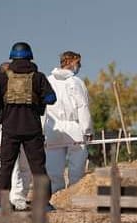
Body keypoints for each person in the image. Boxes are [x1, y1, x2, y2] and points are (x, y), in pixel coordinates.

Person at [0, 42, 56, 211]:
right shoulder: (38, 77)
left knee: (6, 167)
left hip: (10, 130)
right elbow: (51, 98)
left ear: (12, 57)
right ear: (30, 57)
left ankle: (0, 204)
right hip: (32, 129)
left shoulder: (3, 77)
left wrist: (2, 108)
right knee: (37, 167)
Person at [44, 50, 93, 193]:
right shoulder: (76, 82)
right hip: (73, 126)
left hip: (52, 127)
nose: (80, 66)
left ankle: (55, 195)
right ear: (72, 62)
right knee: (77, 163)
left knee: (53, 163)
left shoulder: (47, 80)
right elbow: (82, 107)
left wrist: (41, 129)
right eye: (78, 63)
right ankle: (73, 193)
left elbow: (42, 108)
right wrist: (87, 130)